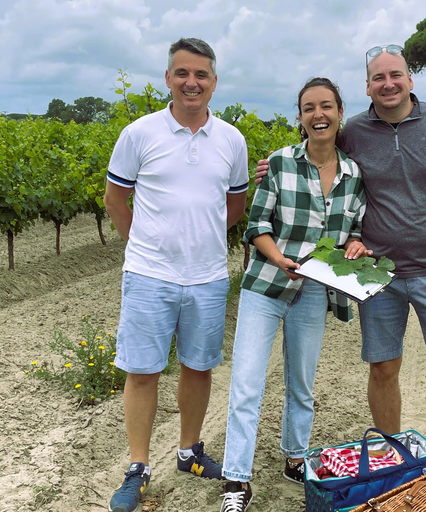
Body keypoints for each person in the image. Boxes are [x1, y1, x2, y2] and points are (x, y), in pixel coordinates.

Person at [254, 45, 426, 512]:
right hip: (376, 274)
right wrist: (271, 167)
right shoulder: (356, 130)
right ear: (366, 87)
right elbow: (314, 154)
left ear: (410, 79)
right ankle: (392, 471)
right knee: (384, 369)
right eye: (378, 77)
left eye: (395, 75)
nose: (387, 84)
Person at [103, 37, 249, 512]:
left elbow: (233, 206)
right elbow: (115, 201)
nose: (192, 82)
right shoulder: (139, 133)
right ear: (168, 78)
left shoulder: (232, 140)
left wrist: (196, 238)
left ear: (213, 82)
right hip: (148, 275)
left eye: (201, 75)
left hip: (207, 277)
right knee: (143, 371)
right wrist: (146, 244)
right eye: (183, 73)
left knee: (198, 366)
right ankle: (138, 467)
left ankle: (189, 452)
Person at [219, 77, 369, 512]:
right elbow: (256, 225)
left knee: (301, 384)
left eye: (326, 106)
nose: (318, 114)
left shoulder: (353, 174)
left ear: (340, 112)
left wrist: (356, 245)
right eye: (308, 108)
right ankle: (236, 480)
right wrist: (279, 257)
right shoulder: (281, 163)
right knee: (247, 384)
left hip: (313, 292)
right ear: (300, 117)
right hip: (267, 285)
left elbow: (354, 231)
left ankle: (295, 458)